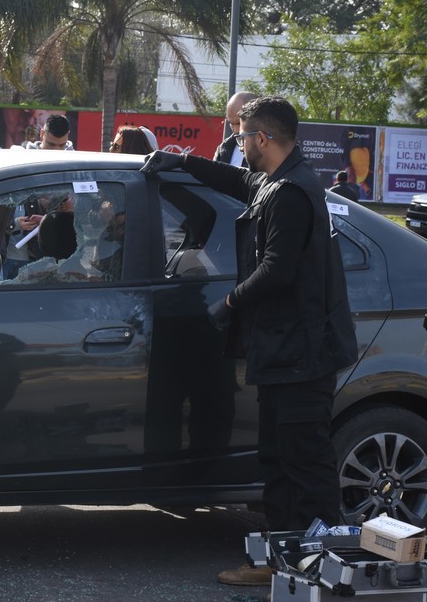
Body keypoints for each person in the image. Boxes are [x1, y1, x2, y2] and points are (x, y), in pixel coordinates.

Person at [141, 95, 357, 588]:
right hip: (284, 352)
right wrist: (182, 162)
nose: (239, 145)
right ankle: (277, 564)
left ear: (263, 138)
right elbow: (239, 181)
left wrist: (231, 303)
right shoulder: (279, 181)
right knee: (278, 464)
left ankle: (323, 574)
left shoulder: (292, 193)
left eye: (241, 136)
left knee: (306, 468)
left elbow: (278, 269)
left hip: (302, 354)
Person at [213, 90, 257, 167]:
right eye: (231, 123)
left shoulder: (269, 149)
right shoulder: (224, 148)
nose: (235, 129)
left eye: (238, 123)